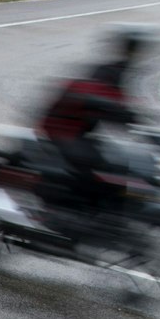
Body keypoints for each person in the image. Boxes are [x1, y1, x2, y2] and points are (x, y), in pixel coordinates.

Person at [34, 25, 151, 219]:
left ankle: (98, 215)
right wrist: (122, 113)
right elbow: (100, 98)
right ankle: (65, 212)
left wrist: (135, 121)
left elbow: (116, 106)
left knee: (122, 163)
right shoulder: (108, 71)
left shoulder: (120, 69)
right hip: (63, 130)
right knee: (99, 169)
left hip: (80, 131)